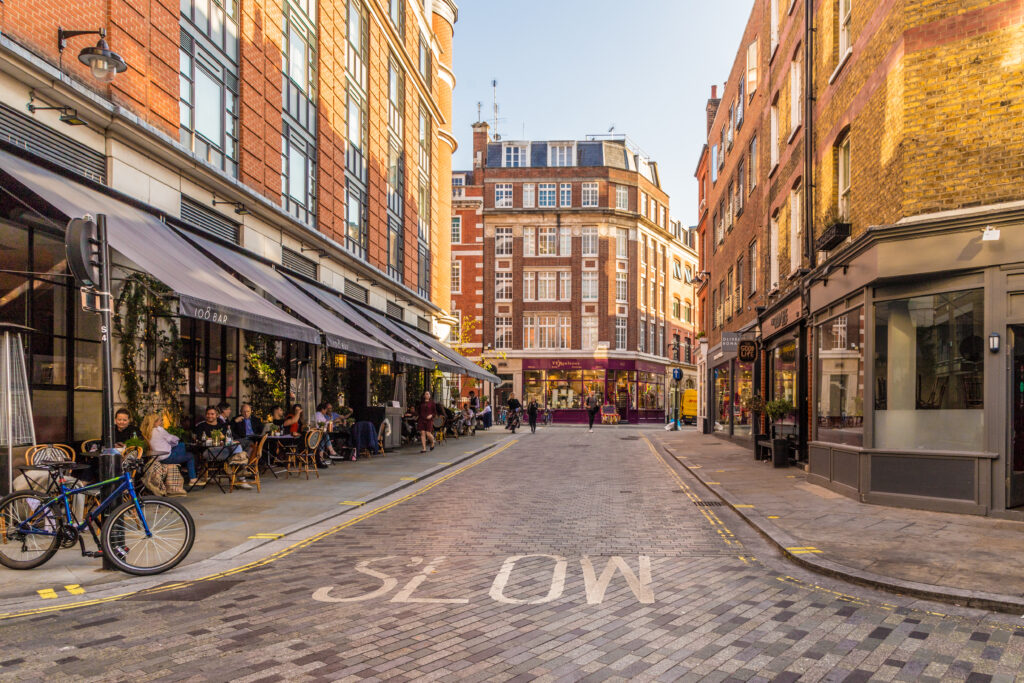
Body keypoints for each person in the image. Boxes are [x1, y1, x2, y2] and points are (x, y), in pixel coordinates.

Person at [142, 412, 199, 489]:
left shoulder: (146, 432)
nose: (161, 422)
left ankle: (184, 467)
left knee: (182, 447)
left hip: (156, 458)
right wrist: (176, 440)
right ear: (155, 422)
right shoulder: (159, 430)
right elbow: (173, 439)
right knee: (189, 454)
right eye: (160, 420)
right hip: (166, 458)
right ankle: (192, 478)